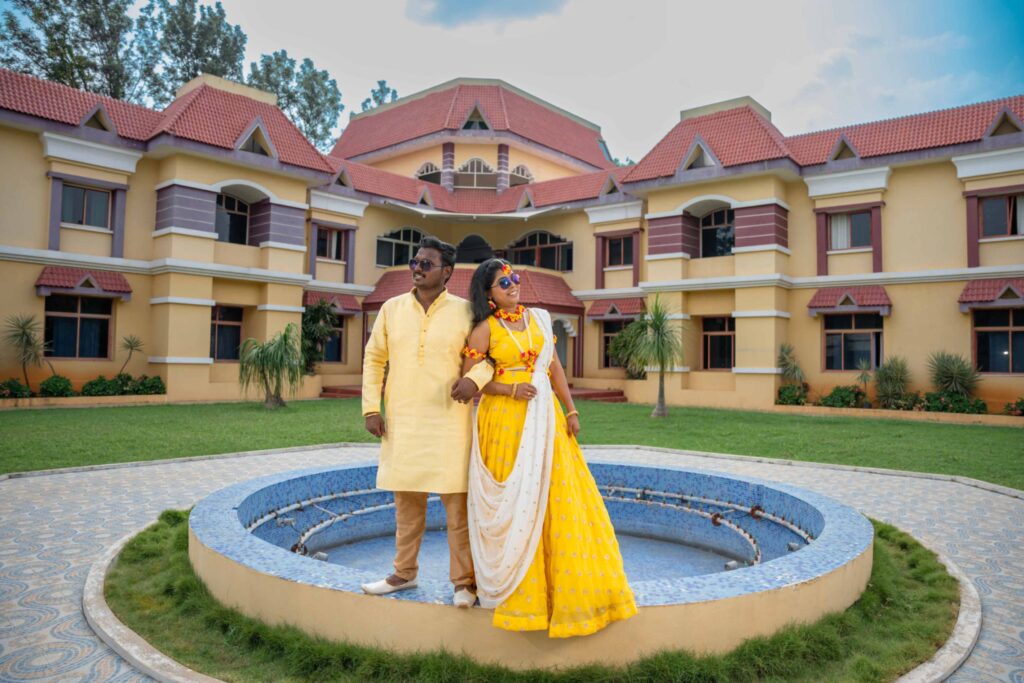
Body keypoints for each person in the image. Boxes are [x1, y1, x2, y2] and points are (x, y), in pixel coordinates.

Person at [462, 258, 638, 637]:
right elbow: (471, 378)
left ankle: (562, 592)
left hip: (547, 418)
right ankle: (520, 591)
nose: (512, 285)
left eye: (514, 278)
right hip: (504, 422)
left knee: (558, 495)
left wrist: (570, 409)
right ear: (488, 293)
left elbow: (554, 366)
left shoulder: (540, 319)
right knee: (518, 498)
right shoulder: (484, 330)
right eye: (503, 282)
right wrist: (509, 389)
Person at [360, 236, 493, 609]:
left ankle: (464, 583)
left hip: (452, 424)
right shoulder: (391, 309)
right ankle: (404, 573)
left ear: (446, 272)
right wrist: (372, 408)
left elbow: (489, 358)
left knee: (457, 508)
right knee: (407, 503)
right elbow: (374, 360)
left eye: (426, 264)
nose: (417, 269)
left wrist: (474, 380)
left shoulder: (467, 312)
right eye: (414, 263)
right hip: (403, 420)